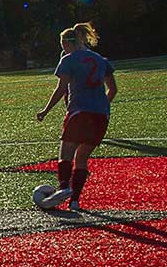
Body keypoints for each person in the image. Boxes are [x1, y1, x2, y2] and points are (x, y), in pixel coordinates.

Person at [35, 22, 117, 214]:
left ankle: (64, 187)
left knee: (66, 154)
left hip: (79, 113)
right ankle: (75, 201)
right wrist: (101, 105)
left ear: (65, 43)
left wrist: (45, 111)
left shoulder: (68, 60)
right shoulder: (101, 60)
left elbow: (61, 89)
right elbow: (113, 89)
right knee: (81, 158)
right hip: (101, 116)